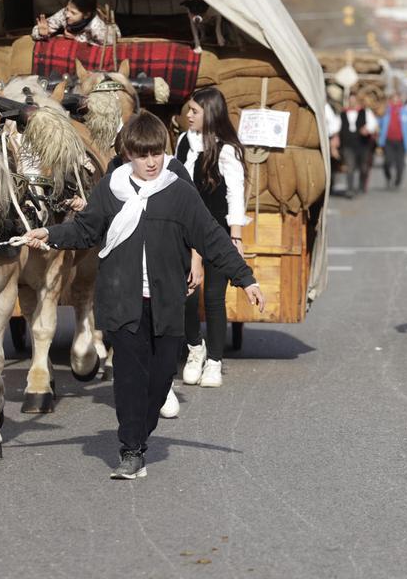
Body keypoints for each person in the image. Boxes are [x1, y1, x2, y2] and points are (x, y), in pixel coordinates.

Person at [25, 111, 264, 480]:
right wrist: (50, 235)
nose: (151, 162)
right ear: (128, 156)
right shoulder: (110, 189)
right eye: (142, 155)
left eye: (156, 154)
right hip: (123, 301)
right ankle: (131, 450)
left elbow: (211, 236)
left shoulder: (179, 192)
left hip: (168, 302)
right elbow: (86, 231)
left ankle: (141, 431)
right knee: (129, 380)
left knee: (160, 378)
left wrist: (245, 278)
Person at [174, 86, 249, 392]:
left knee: (214, 297)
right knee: (187, 295)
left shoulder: (227, 149)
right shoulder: (182, 142)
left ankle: (215, 361)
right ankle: (195, 350)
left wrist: (236, 237)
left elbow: (235, 194)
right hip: (183, 231)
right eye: (188, 110)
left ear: (210, 113)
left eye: (194, 111)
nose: (187, 115)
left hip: (216, 231)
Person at [32, 0, 115, 45]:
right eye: (67, 9)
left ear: (86, 15)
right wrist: (41, 34)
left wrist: (77, 38)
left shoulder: (96, 25)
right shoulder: (64, 14)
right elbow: (36, 30)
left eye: (73, 13)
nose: (68, 14)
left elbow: (111, 42)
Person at [338, 92, 377, 197]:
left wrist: (367, 129)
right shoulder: (342, 113)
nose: (352, 102)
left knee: (363, 167)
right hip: (348, 144)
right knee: (350, 167)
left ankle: (361, 186)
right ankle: (350, 189)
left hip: (362, 145)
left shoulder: (365, 112)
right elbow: (337, 126)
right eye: (350, 100)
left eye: (354, 100)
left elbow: (373, 124)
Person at [378, 92, 407, 189]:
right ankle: (388, 177)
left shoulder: (405, 112)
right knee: (387, 162)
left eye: (397, 99)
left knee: (399, 164)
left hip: (401, 141)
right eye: (393, 99)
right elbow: (378, 122)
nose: (395, 101)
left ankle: (397, 181)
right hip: (388, 140)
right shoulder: (386, 111)